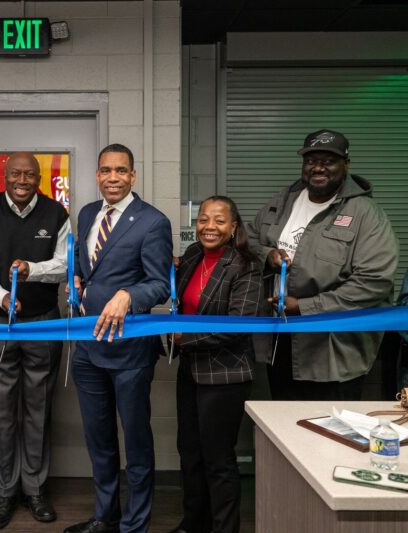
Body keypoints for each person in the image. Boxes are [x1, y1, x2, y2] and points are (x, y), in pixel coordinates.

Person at [0, 151, 69, 529]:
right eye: (16, 174)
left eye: (30, 175)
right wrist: (1, 296)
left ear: (40, 178)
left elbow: (65, 263)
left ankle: (34, 489)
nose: (23, 180)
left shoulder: (57, 214)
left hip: (43, 322)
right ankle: (5, 492)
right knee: (3, 410)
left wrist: (32, 269)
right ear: (3, 176)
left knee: (39, 409)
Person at [66, 143, 172, 533]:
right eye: (106, 170)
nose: (113, 178)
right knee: (99, 440)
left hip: (129, 351)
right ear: (97, 175)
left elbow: (160, 284)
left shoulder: (153, 222)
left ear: (133, 176)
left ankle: (134, 525)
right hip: (87, 348)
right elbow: (87, 262)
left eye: (121, 170)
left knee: (136, 444)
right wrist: (77, 277)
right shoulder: (87, 213)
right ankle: (105, 517)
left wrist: (128, 295)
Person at [247, 129, 398, 401]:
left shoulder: (366, 214)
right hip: (281, 340)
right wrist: (268, 254)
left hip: (332, 351)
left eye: (328, 161)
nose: (317, 168)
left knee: (328, 423)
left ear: (346, 164)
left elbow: (374, 282)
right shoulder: (285, 199)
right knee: (282, 421)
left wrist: (304, 307)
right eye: (310, 161)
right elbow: (250, 238)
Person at [170, 196, 263, 533]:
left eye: (219, 221)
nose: (209, 227)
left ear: (233, 227)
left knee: (218, 459)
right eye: (203, 219)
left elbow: (238, 327)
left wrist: (183, 338)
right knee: (189, 453)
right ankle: (194, 523)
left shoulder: (246, 265)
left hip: (226, 375)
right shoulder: (192, 255)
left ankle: (224, 528)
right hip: (190, 371)